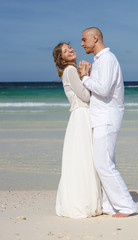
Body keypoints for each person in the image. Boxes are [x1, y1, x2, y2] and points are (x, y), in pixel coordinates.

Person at [79, 27, 138, 218]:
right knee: (105, 162)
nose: (81, 44)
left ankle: (127, 206)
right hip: (102, 117)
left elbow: (103, 89)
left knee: (104, 164)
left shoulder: (107, 59)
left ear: (94, 39)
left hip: (106, 117)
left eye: (83, 40)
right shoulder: (101, 61)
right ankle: (109, 206)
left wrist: (84, 78)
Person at [52, 42, 102, 218]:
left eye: (70, 48)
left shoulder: (70, 71)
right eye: (65, 51)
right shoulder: (71, 71)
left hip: (79, 117)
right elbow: (85, 96)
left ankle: (84, 199)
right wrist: (86, 74)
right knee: (85, 158)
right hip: (82, 116)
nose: (70, 50)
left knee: (82, 159)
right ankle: (85, 202)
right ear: (62, 58)